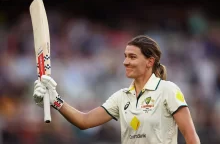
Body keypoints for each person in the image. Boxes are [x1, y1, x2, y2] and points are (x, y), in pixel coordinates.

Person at [33, 35, 200, 144]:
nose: (125, 62)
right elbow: (84, 121)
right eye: (125, 56)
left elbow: (190, 136)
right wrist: (55, 99)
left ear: (150, 61)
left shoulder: (167, 90)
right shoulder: (121, 97)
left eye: (132, 57)